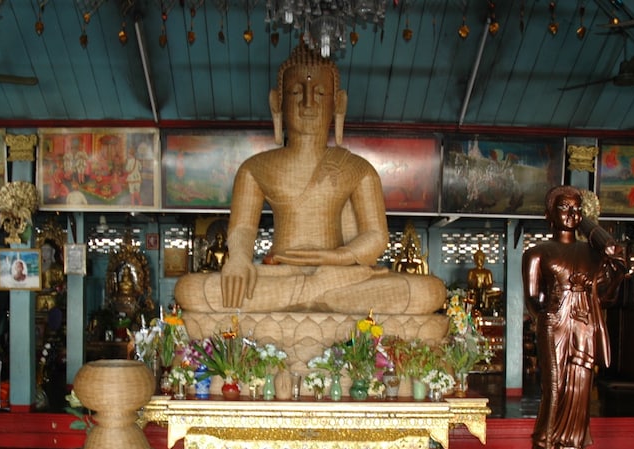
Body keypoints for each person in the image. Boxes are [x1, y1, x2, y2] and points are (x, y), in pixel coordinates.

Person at [174, 45, 445, 314]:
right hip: (279, 276)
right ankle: (318, 298)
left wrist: (338, 257)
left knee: (428, 292)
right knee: (190, 289)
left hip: (340, 277)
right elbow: (243, 229)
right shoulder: (254, 168)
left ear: (338, 103)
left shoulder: (357, 169)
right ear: (276, 102)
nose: (307, 103)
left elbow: (376, 236)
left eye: (320, 93)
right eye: (295, 92)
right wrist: (241, 260)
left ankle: (312, 295)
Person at [522, 186, 627, 449]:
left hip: (584, 324)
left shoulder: (593, 253)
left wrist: (616, 272)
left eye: (577, 209)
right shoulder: (538, 252)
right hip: (555, 326)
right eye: (564, 208)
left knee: (579, 398)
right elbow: (533, 301)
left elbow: (607, 298)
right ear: (549, 214)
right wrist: (556, 299)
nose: (571, 214)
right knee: (553, 395)